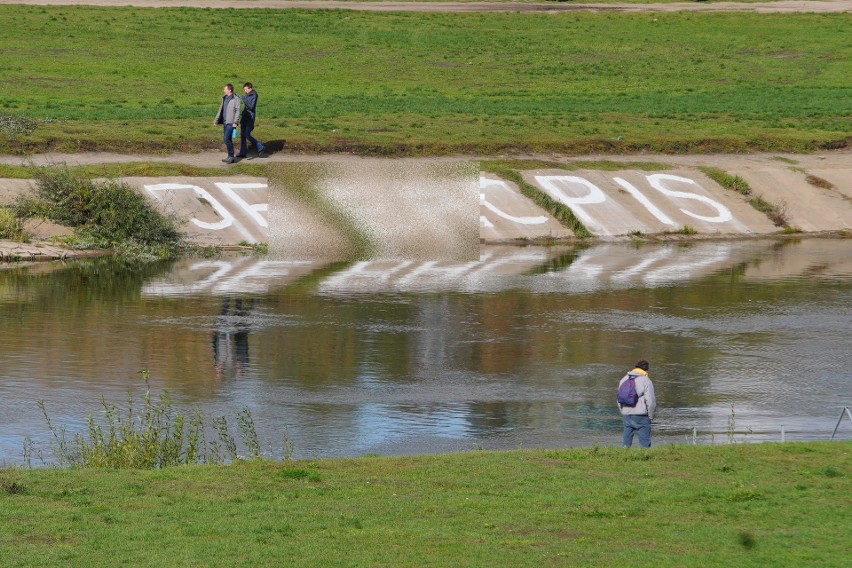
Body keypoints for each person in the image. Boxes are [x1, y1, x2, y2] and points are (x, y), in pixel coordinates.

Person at [617, 360, 656, 448]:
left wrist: (623, 411)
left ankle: (624, 456)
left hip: (627, 414)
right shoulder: (646, 380)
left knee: (626, 441)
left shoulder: (624, 379)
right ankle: (644, 458)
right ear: (646, 370)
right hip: (641, 415)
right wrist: (651, 416)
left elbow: (618, 398)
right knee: (644, 442)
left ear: (635, 368)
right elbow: (650, 400)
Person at [237, 82, 267, 159]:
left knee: (247, 134)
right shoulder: (247, 95)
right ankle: (242, 152)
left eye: (246, 89)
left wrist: (243, 98)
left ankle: (260, 147)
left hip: (250, 118)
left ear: (250, 88)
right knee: (243, 135)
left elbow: (251, 106)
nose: (245, 91)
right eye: (244, 90)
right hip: (244, 117)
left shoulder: (254, 95)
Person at [213, 84, 241, 163]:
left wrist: (235, 122)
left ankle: (231, 156)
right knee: (228, 139)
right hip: (225, 122)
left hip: (231, 122)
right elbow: (220, 109)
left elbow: (238, 111)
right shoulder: (224, 98)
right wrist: (216, 120)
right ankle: (229, 156)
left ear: (229, 90)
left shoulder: (236, 99)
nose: (224, 90)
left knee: (226, 138)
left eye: (225, 89)